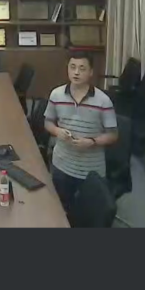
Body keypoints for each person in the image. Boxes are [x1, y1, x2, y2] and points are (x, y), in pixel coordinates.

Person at [44, 50, 118, 217]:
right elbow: (48, 123)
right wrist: (57, 131)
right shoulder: (56, 95)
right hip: (62, 163)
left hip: (91, 170)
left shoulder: (103, 101)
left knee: (87, 215)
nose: (76, 72)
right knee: (60, 210)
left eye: (82, 68)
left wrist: (92, 141)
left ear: (91, 72)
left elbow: (113, 135)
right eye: (72, 67)